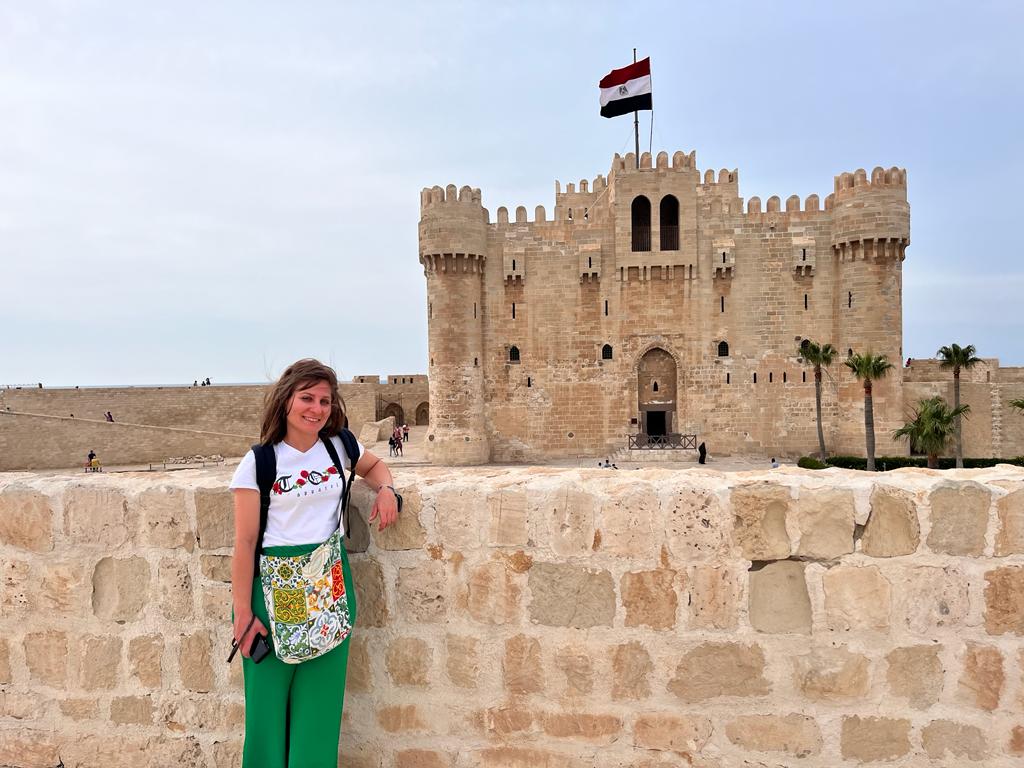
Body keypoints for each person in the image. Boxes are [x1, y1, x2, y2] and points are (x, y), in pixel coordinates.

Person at [229, 359, 399, 767]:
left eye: (324, 400)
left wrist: (388, 489)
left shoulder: (339, 445)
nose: (316, 408)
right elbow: (245, 541)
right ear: (286, 400)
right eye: (307, 397)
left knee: (319, 714)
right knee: (267, 713)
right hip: (274, 593)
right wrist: (241, 614)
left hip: (329, 590)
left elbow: (373, 466)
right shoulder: (260, 462)